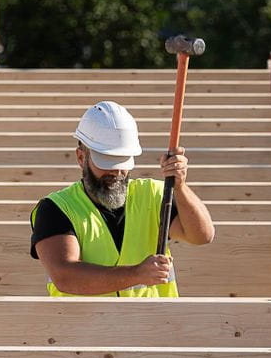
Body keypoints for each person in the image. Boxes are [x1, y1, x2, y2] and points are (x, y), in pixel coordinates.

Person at [29, 101, 214, 297]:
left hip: (153, 325)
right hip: (83, 327)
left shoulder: (153, 194)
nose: (116, 172)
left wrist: (180, 187)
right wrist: (136, 274)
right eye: (106, 162)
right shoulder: (57, 208)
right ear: (81, 158)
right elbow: (65, 276)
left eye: (122, 161)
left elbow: (202, 236)